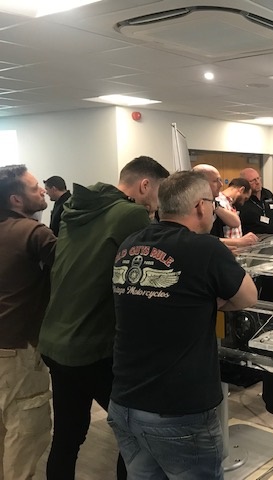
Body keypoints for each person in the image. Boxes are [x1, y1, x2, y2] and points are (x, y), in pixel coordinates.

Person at [108, 170, 258, 479]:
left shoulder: (129, 244)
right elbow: (248, 297)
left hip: (125, 403)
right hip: (179, 411)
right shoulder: (205, 248)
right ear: (201, 206)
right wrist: (206, 302)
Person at [37, 156, 170, 479]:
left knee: (68, 436)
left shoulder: (77, 210)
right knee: (134, 435)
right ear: (144, 185)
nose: (158, 204)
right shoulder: (130, 214)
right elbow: (165, 255)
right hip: (94, 345)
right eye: (159, 194)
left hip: (57, 341)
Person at [0, 165, 56, 480]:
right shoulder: (32, 233)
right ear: (16, 200)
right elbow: (72, 268)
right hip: (15, 351)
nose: (43, 191)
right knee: (25, 433)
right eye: (35, 187)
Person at [213, 177, 259, 247]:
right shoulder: (219, 202)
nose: (243, 203)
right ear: (241, 190)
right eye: (245, 198)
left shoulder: (230, 204)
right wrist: (239, 242)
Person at [238, 167, 273, 237]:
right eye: (253, 180)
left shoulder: (268, 194)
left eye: (258, 178)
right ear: (244, 184)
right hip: (252, 243)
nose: (257, 182)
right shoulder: (242, 199)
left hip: (272, 241)